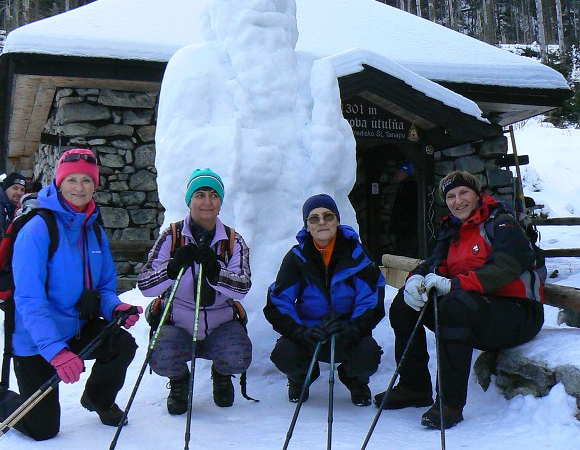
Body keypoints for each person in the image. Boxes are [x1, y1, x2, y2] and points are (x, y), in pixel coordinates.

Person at [0, 148, 142, 440]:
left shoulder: (93, 228)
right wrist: (56, 351)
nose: (79, 188)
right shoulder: (38, 229)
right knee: (42, 428)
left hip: (76, 328)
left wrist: (114, 308)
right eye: (72, 180)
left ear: (95, 185)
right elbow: (29, 300)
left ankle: (98, 398)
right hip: (34, 339)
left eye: (87, 180)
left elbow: (106, 285)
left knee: (122, 344)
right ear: (59, 183)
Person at [376, 170, 545, 429]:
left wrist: (454, 284)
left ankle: (450, 404)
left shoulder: (501, 223)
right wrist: (415, 279)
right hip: (478, 310)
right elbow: (433, 263)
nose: (458, 200)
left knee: (454, 305)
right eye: (451, 196)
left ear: (477, 195)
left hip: (518, 313)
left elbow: (506, 266)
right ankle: (413, 386)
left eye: (464, 192)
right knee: (403, 306)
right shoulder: (453, 231)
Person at [138, 168, 252, 415]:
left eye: (214, 195)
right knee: (161, 354)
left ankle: (222, 374)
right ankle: (179, 381)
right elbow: (146, 284)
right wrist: (171, 269)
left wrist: (215, 271)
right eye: (200, 195)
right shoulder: (172, 236)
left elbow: (242, 286)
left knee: (239, 355)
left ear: (221, 202)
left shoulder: (233, 241)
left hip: (220, 323)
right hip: (177, 324)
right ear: (189, 201)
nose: (207, 202)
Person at [264, 194, 386, 405]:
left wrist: (352, 328)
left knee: (367, 353)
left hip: (346, 331)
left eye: (328, 216)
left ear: (337, 220)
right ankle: (301, 378)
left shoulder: (357, 254)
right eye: (314, 218)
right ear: (307, 225)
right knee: (285, 353)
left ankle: (355, 379)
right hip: (310, 333)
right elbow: (279, 301)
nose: (322, 222)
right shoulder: (296, 258)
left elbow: (370, 299)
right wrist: (301, 331)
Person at [389, 160, 419, 258]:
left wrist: (402, 223)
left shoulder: (410, 187)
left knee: (406, 253)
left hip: (407, 229)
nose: (396, 174)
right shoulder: (406, 186)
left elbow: (407, 208)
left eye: (398, 172)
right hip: (406, 227)